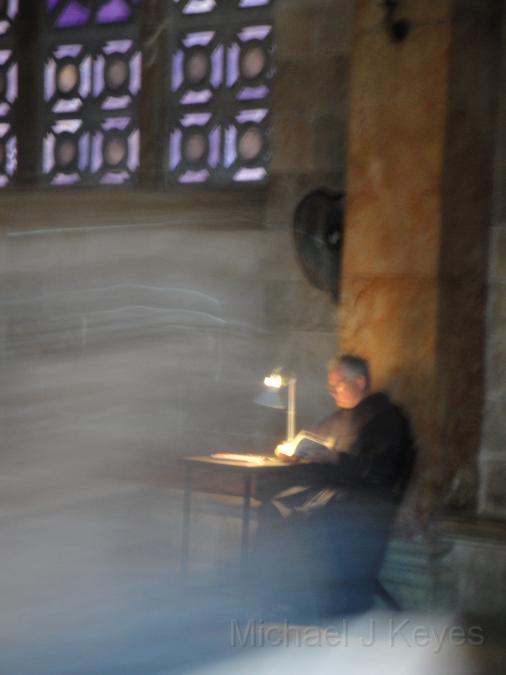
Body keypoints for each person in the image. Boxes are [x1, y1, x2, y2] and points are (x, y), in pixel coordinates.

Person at [253, 354, 416, 618]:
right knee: (273, 508)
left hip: (365, 504)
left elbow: (381, 471)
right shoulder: (335, 420)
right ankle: (279, 595)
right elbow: (315, 451)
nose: (332, 391)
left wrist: (337, 458)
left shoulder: (387, 419)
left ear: (360, 382)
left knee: (311, 517)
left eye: (338, 384)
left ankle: (322, 605)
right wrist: (293, 453)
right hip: (329, 493)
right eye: (330, 385)